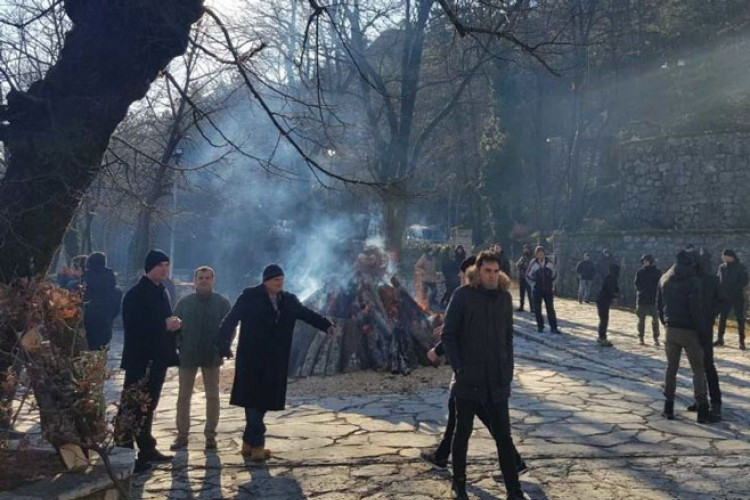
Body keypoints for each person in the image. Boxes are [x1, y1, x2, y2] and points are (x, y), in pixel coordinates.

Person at [422, 255, 527, 478]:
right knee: (458, 417)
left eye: (494, 271)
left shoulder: (491, 297)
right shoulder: (464, 296)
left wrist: (444, 356)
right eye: (487, 271)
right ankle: (443, 455)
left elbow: (492, 337)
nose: (491, 275)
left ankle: (513, 461)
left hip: (480, 374)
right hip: (468, 372)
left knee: (487, 422)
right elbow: (456, 333)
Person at [218, 264, 336, 461]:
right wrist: (223, 344)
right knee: (253, 400)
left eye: (281, 279)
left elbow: (306, 314)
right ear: (266, 281)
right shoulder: (249, 297)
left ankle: (248, 442)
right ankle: (257, 445)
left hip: (275, 360)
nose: (279, 283)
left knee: (263, 401)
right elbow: (230, 320)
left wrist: (326, 325)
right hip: (252, 358)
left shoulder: (288, 301)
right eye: (275, 280)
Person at [117, 249, 181, 473]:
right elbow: (134, 327)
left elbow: (162, 320)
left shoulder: (162, 291)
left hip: (159, 356)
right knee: (131, 406)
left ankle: (146, 447)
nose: (164, 269)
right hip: (140, 358)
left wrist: (173, 326)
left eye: (167, 265)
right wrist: (162, 326)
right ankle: (123, 452)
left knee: (149, 405)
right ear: (149, 268)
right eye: (160, 265)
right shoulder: (135, 294)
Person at [170, 266, 231, 451]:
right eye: (201, 277)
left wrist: (223, 347)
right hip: (188, 355)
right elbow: (174, 325)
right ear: (195, 280)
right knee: (183, 397)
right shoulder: (184, 303)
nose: (204, 280)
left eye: (207, 277)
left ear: (213, 280)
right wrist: (179, 345)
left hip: (211, 356)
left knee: (212, 396)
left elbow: (230, 327)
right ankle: (182, 435)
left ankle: (211, 436)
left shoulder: (222, 303)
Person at [656, 250, 719, 424]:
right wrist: (702, 331)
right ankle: (703, 409)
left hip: (671, 329)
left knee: (671, 369)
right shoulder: (693, 282)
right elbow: (696, 310)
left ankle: (668, 407)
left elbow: (659, 305)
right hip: (690, 331)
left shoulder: (664, 279)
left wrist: (666, 323)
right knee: (698, 370)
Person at [685, 249, 723, 419]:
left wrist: (710, 316)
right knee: (699, 367)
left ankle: (714, 402)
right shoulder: (694, 281)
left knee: (705, 366)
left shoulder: (709, 281)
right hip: (696, 328)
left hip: (702, 328)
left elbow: (720, 302)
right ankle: (703, 400)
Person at [82, 252, 122, 350]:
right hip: (105, 324)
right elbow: (116, 309)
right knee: (101, 351)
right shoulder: (114, 287)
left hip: (87, 324)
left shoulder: (84, 282)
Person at [715, 249, 748, 350]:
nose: (725, 258)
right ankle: (720, 338)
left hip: (736, 296)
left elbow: (745, 280)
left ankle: (741, 341)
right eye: (724, 256)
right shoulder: (722, 267)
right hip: (725, 297)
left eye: (727, 256)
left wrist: (735, 288)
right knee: (722, 318)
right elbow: (718, 280)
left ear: (732, 257)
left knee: (740, 319)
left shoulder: (740, 267)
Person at [526, 246, 560, 334]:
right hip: (537, 290)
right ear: (536, 254)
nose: (540, 254)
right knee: (537, 309)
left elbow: (555, 273)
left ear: (544, 253)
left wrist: (552, 284)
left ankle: (554, 327)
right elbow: (527, 275)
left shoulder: (549, 263)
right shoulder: (533, 263)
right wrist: (533, 284)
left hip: (548, 289)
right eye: (538, 253)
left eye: (542, 252)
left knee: (550, 309)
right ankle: (540, 326)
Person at [635, 254, 662, 346]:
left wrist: (654, 292)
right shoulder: (640, 272)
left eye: (646, 261)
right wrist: (642, 290)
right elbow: (637, 283)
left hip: (653, 299)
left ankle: (656, 338)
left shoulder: (657, 272)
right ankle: (641, 337)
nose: (645, 262)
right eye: (643, 261)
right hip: (642, 299)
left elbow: (659, 284)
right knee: (641, 320)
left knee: (655, 320)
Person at [596, 263, 620, 347]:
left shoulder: (610, 277)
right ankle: (602, 338)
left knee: (604, 319)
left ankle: (602, 337)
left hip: (603, 300)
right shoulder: (612, 277)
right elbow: (611, 289)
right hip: (603, 301)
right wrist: (615, 296)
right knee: (604, 320)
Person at [515, 245, 534, 313]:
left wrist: (522, 266)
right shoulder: (523, 257)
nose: (525, 250)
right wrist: (521, 265)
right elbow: (517, 264)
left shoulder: (532, 257)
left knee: (530, 293)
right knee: (521, 293)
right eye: (524, 249)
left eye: (526, 249)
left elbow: (529, 266)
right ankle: (521, 306)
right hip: (522, 277)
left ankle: (532, 308)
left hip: (528, 278)